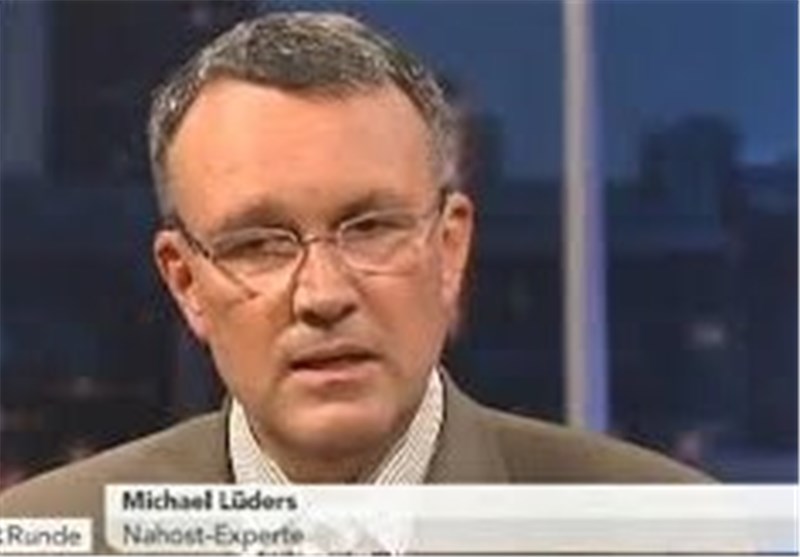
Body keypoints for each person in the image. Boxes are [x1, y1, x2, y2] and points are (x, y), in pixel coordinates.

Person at [1, 9, 708, 533]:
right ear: (186, 283)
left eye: (371, 228)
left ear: (450, 249)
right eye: (259, 243)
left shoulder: (666, 533)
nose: (323, 295)